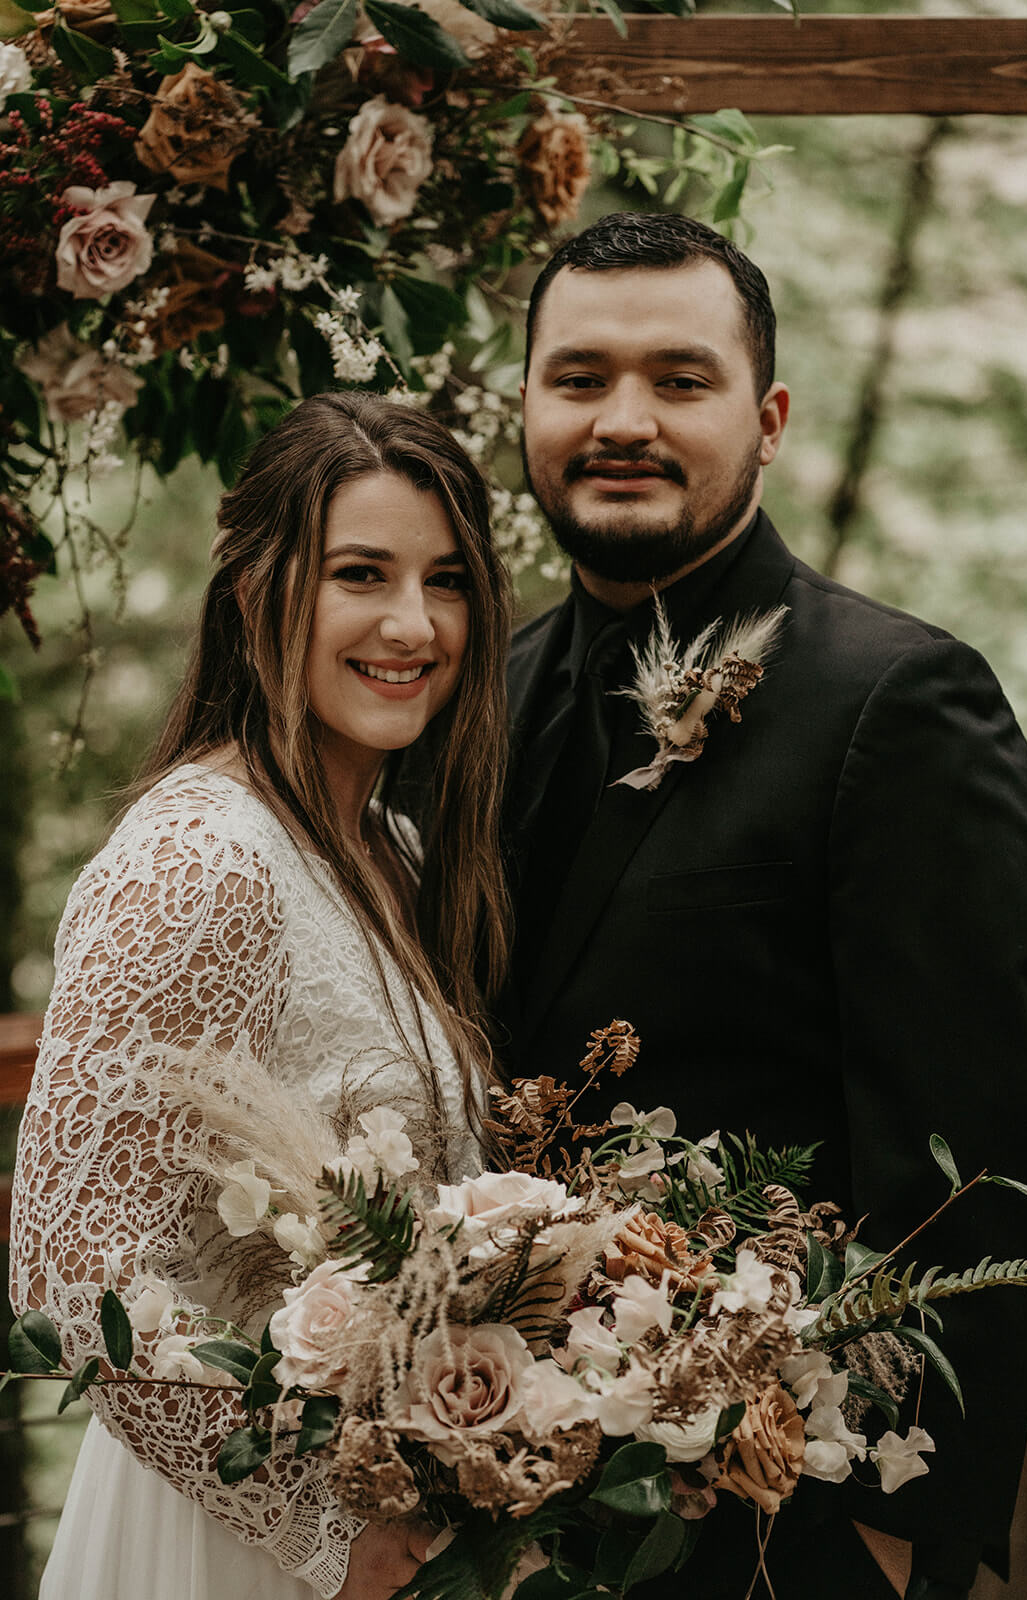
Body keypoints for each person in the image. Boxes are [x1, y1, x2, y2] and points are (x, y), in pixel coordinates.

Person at [505, 211, 1027, 1599]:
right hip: (502, 1500)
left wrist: (893, 1535)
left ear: (765, 418)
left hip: (782, 1523)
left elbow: (980, 1164)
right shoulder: (479, 695)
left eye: (677, 380)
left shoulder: (898, 702)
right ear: (523, 404)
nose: (620, 419)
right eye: (577, 378)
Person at [10, 391, 512, 1600]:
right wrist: (317, 1532)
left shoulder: (389, 843)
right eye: (360, 574)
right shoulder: (200, 858)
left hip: (388, 1510)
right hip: (236, 1534)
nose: (412, 623)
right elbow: (70, 1272)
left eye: (445, 581)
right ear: (254, 593)